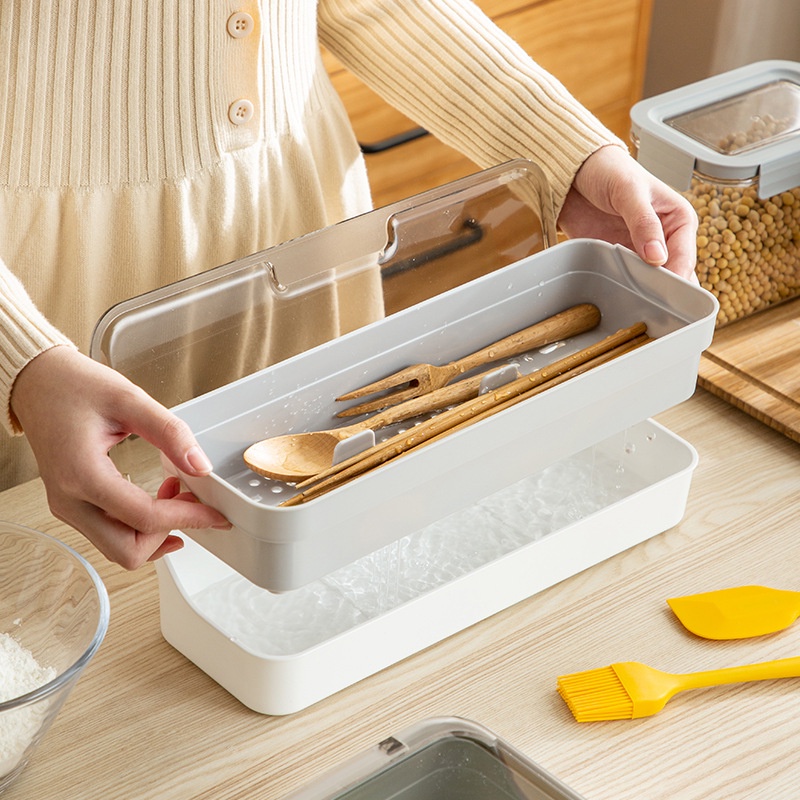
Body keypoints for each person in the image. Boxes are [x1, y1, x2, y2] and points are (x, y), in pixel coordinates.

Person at [0, 0, 698, 570]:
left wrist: (564, 153)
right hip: (48, 296)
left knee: (332, 544)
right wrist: (23, 361)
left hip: (305, 224)